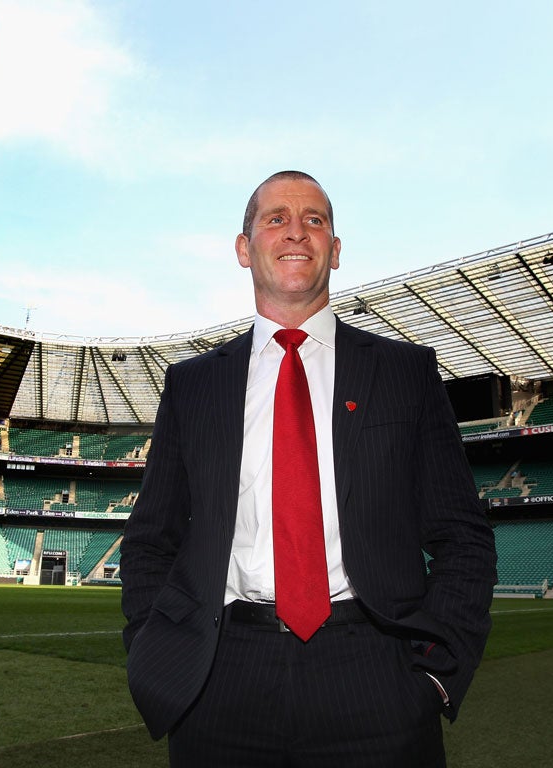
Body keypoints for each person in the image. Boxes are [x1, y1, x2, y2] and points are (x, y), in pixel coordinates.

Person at [120, 170, 496, 767]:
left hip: (376, 674)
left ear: (335, 250)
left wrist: (434, 676)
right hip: (221, 679)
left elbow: (463, 536)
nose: (296, 231)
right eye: (276, 218)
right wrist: (153, 649)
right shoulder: (193, 385)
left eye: (313, 220)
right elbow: (150, 539)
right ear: (244, 249)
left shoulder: (404, 373)